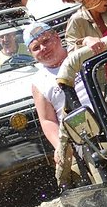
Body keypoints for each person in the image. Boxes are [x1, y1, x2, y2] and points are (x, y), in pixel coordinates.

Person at [25, 22, 92, 178]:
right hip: (80, 136)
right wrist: (59, 147)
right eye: (36, 48)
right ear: (32, 54)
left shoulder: (80, 54)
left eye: (46, 41)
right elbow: (47, 120)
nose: (43, 49)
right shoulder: (39, 82)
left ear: (57, 37)